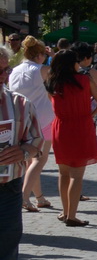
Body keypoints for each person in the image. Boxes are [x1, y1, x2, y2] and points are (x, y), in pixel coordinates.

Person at [1, 54, 42, 260]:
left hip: (8, 190)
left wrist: (24, 150)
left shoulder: (19, 103)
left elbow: (37, 142)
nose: (2, 75)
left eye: (4, 69)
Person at [46, 46, 97, 227]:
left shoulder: (53, 82)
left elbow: (51, 104)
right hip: (81, 126)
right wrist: (90, 115)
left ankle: (65, 210)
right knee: (77, 175)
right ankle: (72, 215)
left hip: (61, 127)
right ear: (72, 64)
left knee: (63, 173)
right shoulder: (84, 80)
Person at [7, 37, 55, 212]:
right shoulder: (42, 70)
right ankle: (24, 197)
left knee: (30, 161)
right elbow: (57, 80)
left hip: (20, 121)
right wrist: (54, 55)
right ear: (40, 55)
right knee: (38, 160)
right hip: (42, 119)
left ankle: (40, 197)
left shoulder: (14, 71)